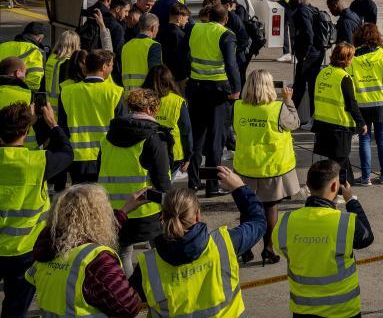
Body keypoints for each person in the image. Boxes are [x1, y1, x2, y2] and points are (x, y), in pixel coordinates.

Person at [132, 167, 265, 317]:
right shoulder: (224, 244)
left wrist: (123, 212)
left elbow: (121, 303)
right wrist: (240, 188)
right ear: (197, 216)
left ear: (162, 217)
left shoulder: (149, 266)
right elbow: (258, 222)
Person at [274, 160, 374, 318]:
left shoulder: (285, 222)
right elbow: (367, 237)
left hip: (303, 310)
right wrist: (352, 201)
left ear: (307, 185)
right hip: (343, 311)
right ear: (336, 186)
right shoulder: (345, 222)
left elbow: (281, 249)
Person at [27, 184, 146, 317]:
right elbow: (129, 306)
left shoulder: (48, 249)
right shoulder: (96, 260)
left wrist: (125, 210)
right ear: (99, 218)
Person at [0, 101, 72, 317]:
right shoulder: (38, 161)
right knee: (15, 309)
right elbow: (67, 153)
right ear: (26, 130)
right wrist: (53, 124)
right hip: (25, 251)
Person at [98, 87, 172, 275]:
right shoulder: (155, 137)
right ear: (150, 110)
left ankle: (128, 297)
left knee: (123, 254)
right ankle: (155, 294)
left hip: (115, 209)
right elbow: (162, 178)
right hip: (147, 209)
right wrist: (169, 207)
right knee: (158, 255)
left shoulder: (108, 136)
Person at [233, 68, 299, 266]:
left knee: (247, 207)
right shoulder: (277, 108)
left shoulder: (238, 107)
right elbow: (294, 123)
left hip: (246, 166)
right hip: (272, 167)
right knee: (270, 206)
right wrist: (288, 101)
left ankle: (245, 247)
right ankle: (268, 247)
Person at [186, 4, 241, 196]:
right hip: (217, 92)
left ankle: (193, 182)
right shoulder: (226, 35)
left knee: (197, 138)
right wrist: (236, 89)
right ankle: (212, 185)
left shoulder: (195, 28)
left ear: (208, 16)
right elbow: (231, 64)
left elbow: (187, 53)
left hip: (195, 88)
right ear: (225, 19)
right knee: (215, 140)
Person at [59, 50, 124, 184]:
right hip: (106, 155)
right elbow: (121, 128)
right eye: (111, 65)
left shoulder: (67, 91)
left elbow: (63, 126)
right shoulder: (116, 92)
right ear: (103, 67)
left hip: (77, 157)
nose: (112, 69)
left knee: (80, 198)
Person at [350, 23, 383, 186]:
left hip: (362, 104)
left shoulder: (353, 57)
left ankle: (366, 177)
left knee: (364, 140)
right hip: (382, 102)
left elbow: (349, 81)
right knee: (382, 138)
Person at [312, 42, 364, 182]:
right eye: (351, 57)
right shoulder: (344, 77)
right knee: (340, 161)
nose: (352, 60)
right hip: (339, 126)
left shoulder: (322, 73)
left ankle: (347, 184)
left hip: (322, 123)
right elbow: (351, 104)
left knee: (336, 159)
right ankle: (340, 190)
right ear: (345, 59)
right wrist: (361, 123)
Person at [142, 65, 192, 173]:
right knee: (165, 186)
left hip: (146, 152)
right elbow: (186, 131)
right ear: (169, 81)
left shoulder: (140, 98)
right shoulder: (177, 101)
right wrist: (188, 156)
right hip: (173, 153)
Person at [288, 0, 324, 122]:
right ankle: (312, 117)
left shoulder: (301, 12)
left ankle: (291, 116)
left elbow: (309, 33)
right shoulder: (311, 9)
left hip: (309, 54)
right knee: (310, 85)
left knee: (299, 86)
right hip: (317, 52)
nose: (289, 1)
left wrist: (305, 53)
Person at [119, 12, 162, 90]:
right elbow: (155, 74)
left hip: (127, 94)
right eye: (158, 27)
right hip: (145, 94)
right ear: (153, 28)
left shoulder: (126, 46)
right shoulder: (154, 46)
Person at [0, 21, 46, 92]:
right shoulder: (34, 50)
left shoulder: (3, 46)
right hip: (19, 95)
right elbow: (35, 76)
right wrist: (29, 94)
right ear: (40, 38)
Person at [158, 1, 191, 83]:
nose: (187, 22)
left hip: (164, 74)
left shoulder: (160, 31)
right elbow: (182, 58)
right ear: (179, 18)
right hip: (178, 77)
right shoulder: (180, 35)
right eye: (186, 19)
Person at [43, 28, 79, 104]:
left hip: (49, 102)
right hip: (63, 104)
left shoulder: (51, 58)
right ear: (74, 44)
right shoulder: (68, 62)